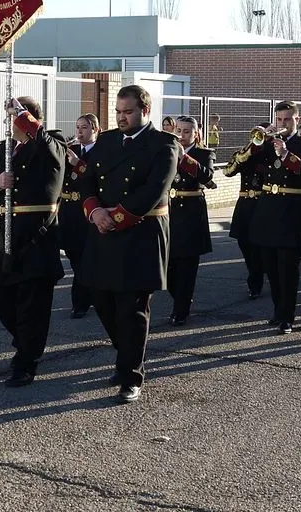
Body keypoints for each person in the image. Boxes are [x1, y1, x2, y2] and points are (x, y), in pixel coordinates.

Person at [79, 84, 180, 404]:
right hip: (104, 230)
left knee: (133, 307)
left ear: (145, 111)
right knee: (101, 297)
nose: (121, 118)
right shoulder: (107, 141)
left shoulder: (163, 144)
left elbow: (154, 190)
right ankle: (125, 353)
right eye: (118, 112)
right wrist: (94, 210)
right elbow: (86, 180)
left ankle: (131, 374)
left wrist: (117, 217)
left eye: (128, 112)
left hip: (141, 232)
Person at [0, 96, 66, 387]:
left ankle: (26, 361)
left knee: (32, 305)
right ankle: (26, 341)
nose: (8, 123)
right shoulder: (4, 148)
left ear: (28, 120)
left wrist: (23, 114)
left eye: (13, 118)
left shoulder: (51, 143)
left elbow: (45, 142)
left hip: (35, 236)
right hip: (1, 233)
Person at [244, 101, 301, 334]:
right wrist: (257, 143)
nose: (282, 124)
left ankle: (288, 316)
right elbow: (241, 164)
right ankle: (277, 310)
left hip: (291, 212)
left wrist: (285, 153)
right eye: (278, 119)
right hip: (267, 211)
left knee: (288, 270)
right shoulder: (266, 143)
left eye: (286, 119)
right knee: (271, 268)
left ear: (296, 119)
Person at [166, 115, 215, 325]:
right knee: (168, 269)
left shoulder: (204, 153)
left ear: (195, 133)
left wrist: (183, 158)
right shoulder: (167, 150)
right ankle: (181, 299)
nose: (181, 135)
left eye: (186, 131)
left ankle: (181, 310)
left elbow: (207, 176)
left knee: (187, 266)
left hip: (192, 213)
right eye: (179, 130)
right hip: (170, 213)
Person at [59, 113, 100, 318]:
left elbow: (96, 177)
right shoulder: (72, 150)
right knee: (74, 256)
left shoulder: (101, 152)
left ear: (95, 129)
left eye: (84, 127)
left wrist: (77, 164)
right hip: (68, 212)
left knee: (84, 259)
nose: (79, 132)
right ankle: (90, 292)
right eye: (77, 127)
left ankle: (80, 302)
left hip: (87, 212)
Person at [223, 121, 270, 299]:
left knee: (259, 245)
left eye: (262, 136)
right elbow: (228, 171)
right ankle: (255, 271)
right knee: (244, 242)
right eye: (256, 135)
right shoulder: (245, 154)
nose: (258, 139)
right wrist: (248, 151)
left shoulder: (270, 155)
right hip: (245, 204)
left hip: (263, 203)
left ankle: (255, 281)